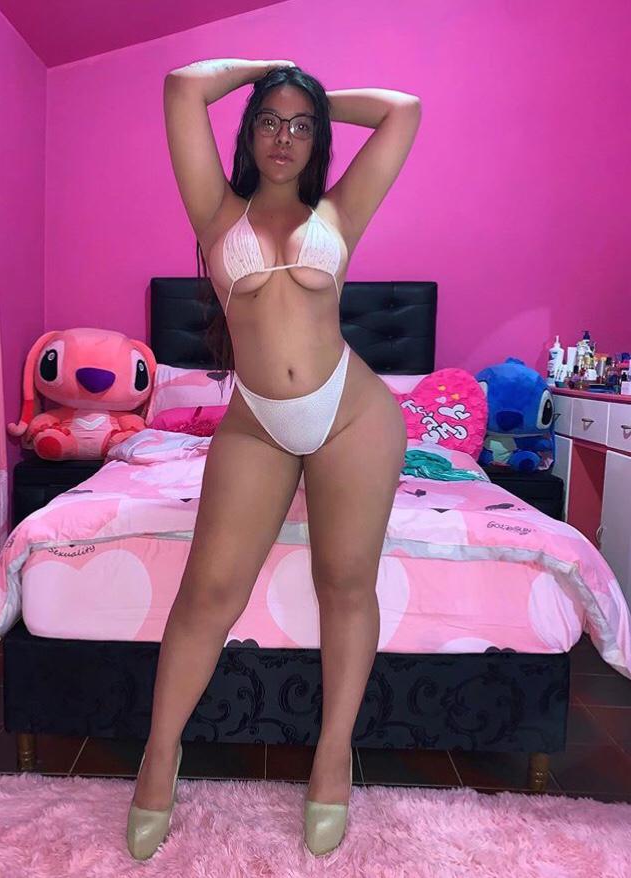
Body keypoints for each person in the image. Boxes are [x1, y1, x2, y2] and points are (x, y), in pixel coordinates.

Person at [127, 58, 422, 860]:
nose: (284, 137)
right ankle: (160, 754)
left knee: (345, 584)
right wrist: (270, 74)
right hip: (257, 423)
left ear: (317, 137)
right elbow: (181, 84)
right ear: (248, 132)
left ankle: (332, 755)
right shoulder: (216, 212)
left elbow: (403, 108)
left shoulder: (339, 210)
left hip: (353, 417)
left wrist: (311, 92)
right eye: (268, 120)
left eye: (301, 125)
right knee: (207, 593)